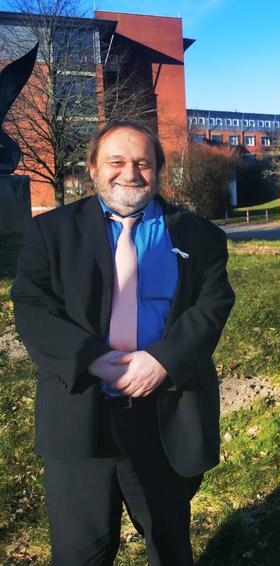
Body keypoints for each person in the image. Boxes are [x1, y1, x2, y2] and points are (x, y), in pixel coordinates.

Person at [11, 121, 235, 565]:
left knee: (169, 545)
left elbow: (213, 303)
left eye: (142, 163)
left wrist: (163, 360)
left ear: (158, 170)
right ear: (93, 167)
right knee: (82, 552)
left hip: (164, 412)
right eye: (116, 161)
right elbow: (33, 306)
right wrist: (92, 360)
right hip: (81, 414)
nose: (129, 173)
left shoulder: (200, 236)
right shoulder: (52, 233)